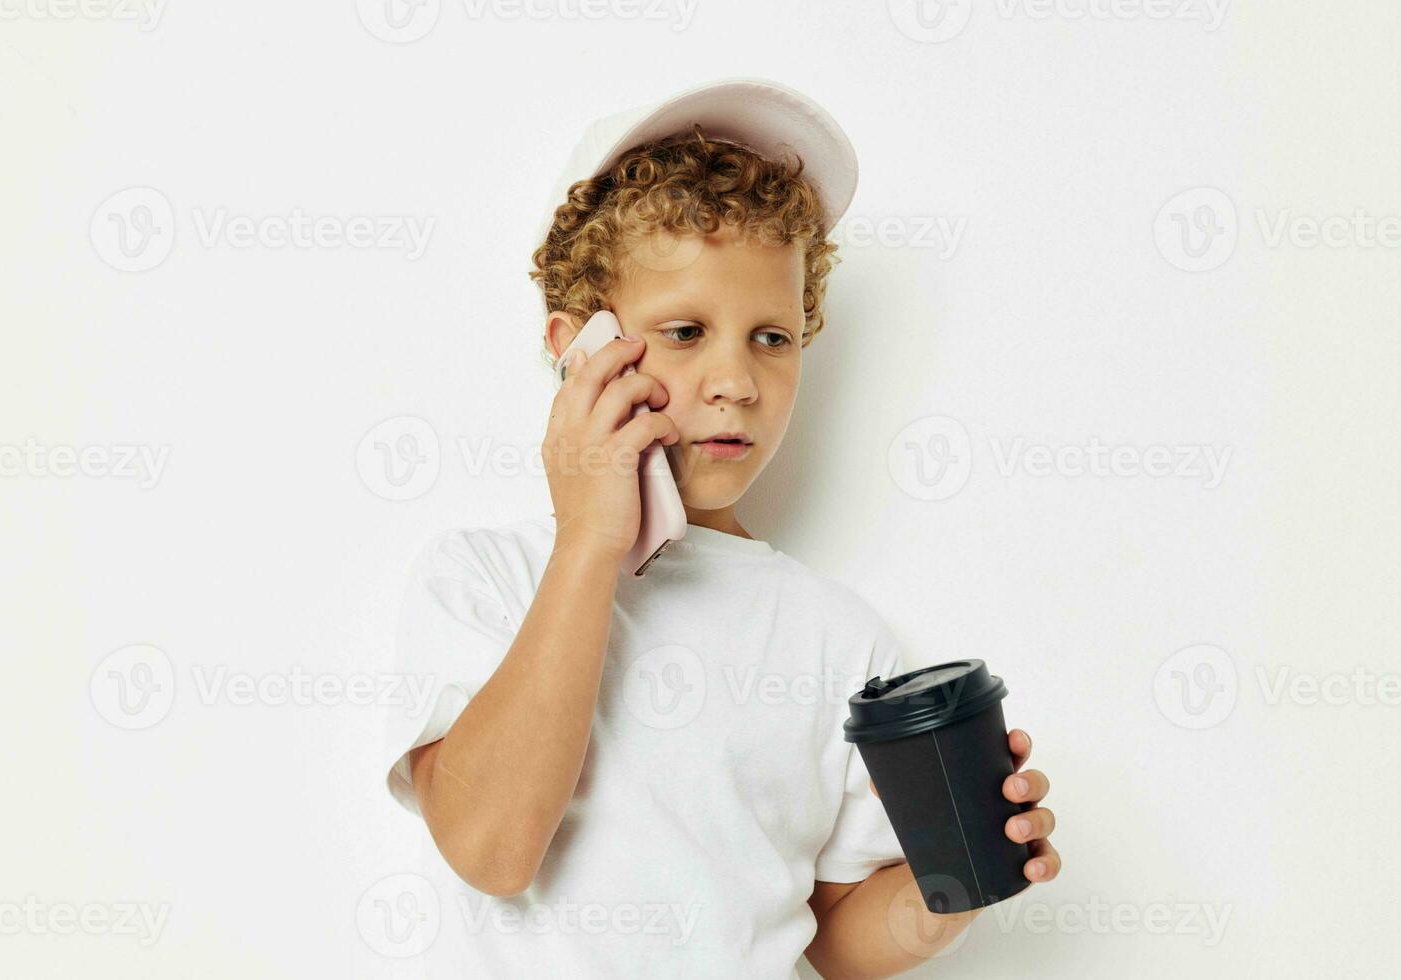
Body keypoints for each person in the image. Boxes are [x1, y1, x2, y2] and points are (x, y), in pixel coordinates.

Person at [381, 76, 1061, 978]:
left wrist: (940, 900)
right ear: (578, 348)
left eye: (772, 338)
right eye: (687, 330)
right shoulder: (485, 578)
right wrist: (589, 539)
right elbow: (491, 850)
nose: (736, 380)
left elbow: (833, 936)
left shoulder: (837, 638)